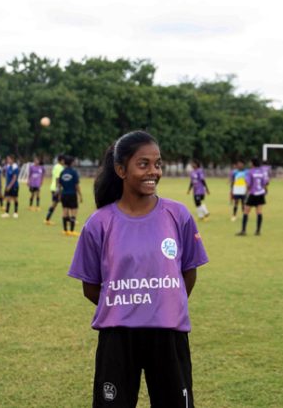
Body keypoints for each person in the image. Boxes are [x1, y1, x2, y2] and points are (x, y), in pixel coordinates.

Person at [68, 130, 208, 408]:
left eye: (157, 164)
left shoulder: (178, 215)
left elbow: (188, 273)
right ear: (121, 169)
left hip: (168, 332)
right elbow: (91, 287)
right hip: (118, 336)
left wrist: (162, 303)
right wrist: (127, 305)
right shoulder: (99, 223)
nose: (153, 172)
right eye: (143, 164)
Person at [237, 157, 268, 236]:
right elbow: (265, 182)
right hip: (260, 193)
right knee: (259, 212)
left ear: (253, 163)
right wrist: (265, 190)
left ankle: (243, 230)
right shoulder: (262, 172)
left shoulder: (250, 172)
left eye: (250, 162)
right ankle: (258, 231)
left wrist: (246, 192)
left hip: (253, 194)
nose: (249, 164)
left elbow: (248, 184)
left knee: (246, 211)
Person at [58, 155, 82, 235]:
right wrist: (80, 195)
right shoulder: (74, 172)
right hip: (72, 194)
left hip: (64, 194)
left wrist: (59, 194)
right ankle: (71, 231)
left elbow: (59, 184)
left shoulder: (62, 172)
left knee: (64, 211)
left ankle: (65, 230)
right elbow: (77, 185)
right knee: (73, 212)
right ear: (71, 163)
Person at [44, 155, 65, 225]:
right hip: (57, 188)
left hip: (54, 188)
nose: (64, 161)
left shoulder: (56, 166)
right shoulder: (60, 168)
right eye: (63, 160)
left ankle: (47, 219)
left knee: (56, 204)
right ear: (61, 160)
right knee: (64, 204)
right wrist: (58, 189)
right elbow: (57, 178)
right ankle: (47, 219)